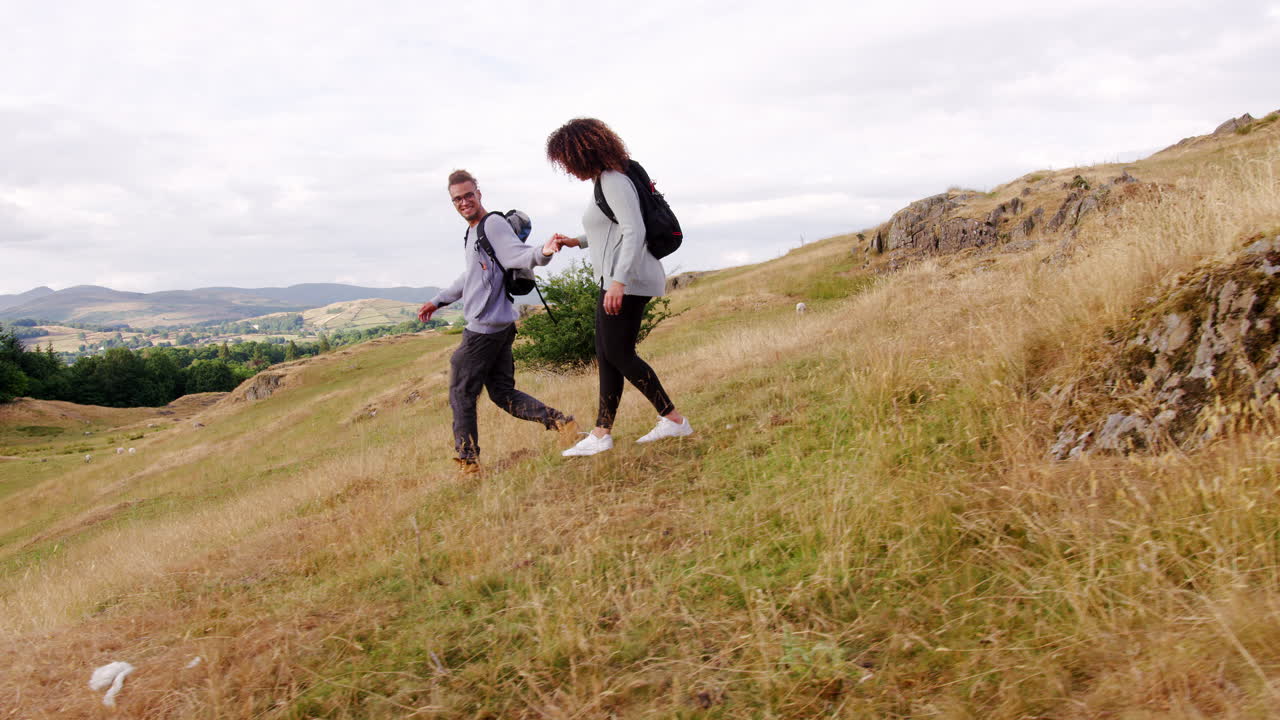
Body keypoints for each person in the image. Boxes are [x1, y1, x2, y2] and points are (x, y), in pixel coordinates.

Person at [544, 118, 692, 457]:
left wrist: (619, 282)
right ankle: (602, 432)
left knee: (620, 353)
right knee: (607, 354)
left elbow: (634, 230)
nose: (567, 169)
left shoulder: (613, 180)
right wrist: (575, 241)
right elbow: (607, 230)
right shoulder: (604, 180)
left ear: (582, 153)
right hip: (615, 280)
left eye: (568, 161)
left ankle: (673, 419)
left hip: (627, 280)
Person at [418, 169, 576, 472]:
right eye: (457, 199)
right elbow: (470, 275)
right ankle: (561, 423)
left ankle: (468, 462)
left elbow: (519, 255)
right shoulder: (475, 230)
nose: (464, 202)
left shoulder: (492, 225)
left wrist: (544, 252)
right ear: (453, 203)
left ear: (479, 193)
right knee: (502, 394)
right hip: (501, 328)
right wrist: (437, 301)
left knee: (461, 392)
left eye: (468, 195)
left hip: (484, 330)